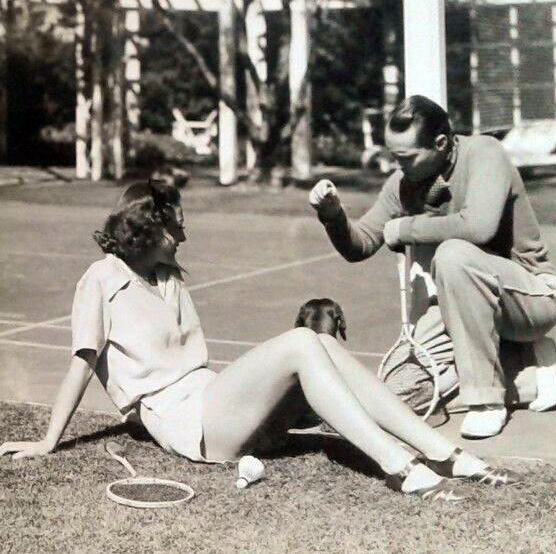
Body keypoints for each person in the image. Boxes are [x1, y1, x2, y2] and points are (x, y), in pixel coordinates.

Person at [0, 178, 519, 501]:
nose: (184, 236)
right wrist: (47, 442)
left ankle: (441, 453)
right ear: (148, 230)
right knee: (300, 341)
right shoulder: (100, 279)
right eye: (176, 228)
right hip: (191, 425)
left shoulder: (169, 276)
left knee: (323, 345)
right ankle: (397, 465)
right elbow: (81, 364)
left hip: (219, 401)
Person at [310, 95, 556, 438]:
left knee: (453, 255)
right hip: (455, 307)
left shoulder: (485, 153)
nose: (397, 164)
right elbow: (361, 243)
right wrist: (332, 215)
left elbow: (479, 226)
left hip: (529, 298)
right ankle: (532, 375)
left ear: (441, 143)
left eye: (406, 156)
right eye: (394, 155)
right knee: (402, 392)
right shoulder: (403, 181)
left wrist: (406, 229)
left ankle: (486, 401)